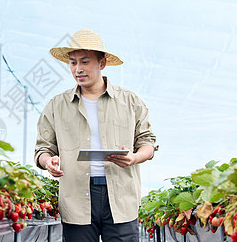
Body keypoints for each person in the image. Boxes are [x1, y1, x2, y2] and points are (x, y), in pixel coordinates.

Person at [34, 29, 158, 242]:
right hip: (76, 196)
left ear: (102, 63)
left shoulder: (130, 101)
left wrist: (134, 158)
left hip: (120, 195)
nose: (78, 69)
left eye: (84, 62)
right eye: (73, 63)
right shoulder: (57, 105)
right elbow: (43, 149)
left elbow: (147, 143)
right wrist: (48, 162)